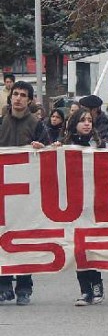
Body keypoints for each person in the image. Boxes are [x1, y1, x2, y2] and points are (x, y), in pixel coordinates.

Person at [0, 81, 45, 305]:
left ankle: (24, 287)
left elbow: (50, 154)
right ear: (10, 97)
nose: (18, 98)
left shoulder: (37, 125)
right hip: (4, 191)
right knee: (2, 237)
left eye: (23, 95)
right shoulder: (1, 123)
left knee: (26, 240)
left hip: (28, 191)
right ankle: (4, 284)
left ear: (29, 100)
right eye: (15, 94)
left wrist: (41, 149)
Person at [63, 108, 106, 305]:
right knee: (78, 249)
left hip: (95, 203)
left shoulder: (100, 145)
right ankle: (84, 290)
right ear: (74, 125)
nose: (87, 123)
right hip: (73, 205)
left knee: (92, 247)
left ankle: (97, 286)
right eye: (82, 120)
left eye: (89, 120)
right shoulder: (65, 146)